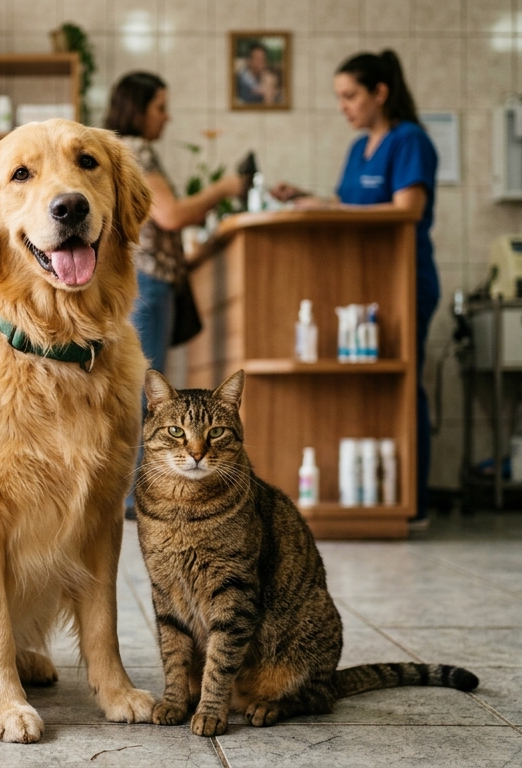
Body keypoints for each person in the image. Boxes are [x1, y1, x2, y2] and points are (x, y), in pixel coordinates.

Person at [280, 49, 440, 529]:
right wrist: (308, 200)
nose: (343, 107)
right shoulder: (358, 150)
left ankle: (414, 503)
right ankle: (372, 493)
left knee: (403, 381)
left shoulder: (410, 140)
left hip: (405, 280)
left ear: (380, 93)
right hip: (363, 284)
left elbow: (406, 209)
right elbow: (350, 206)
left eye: (350, 96)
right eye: (339, 98)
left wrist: (332, 210)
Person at [104, 71, 247, 516]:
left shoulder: (118, 153)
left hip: (145, 280)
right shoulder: (136, 150)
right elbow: (170, 215)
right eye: (159, 107)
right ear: (137, 109)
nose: (166, 117)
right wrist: (225, 188)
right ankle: (135, 499)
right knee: (152, 395)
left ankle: (132, 496)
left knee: (146, 391)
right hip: (149, 282)